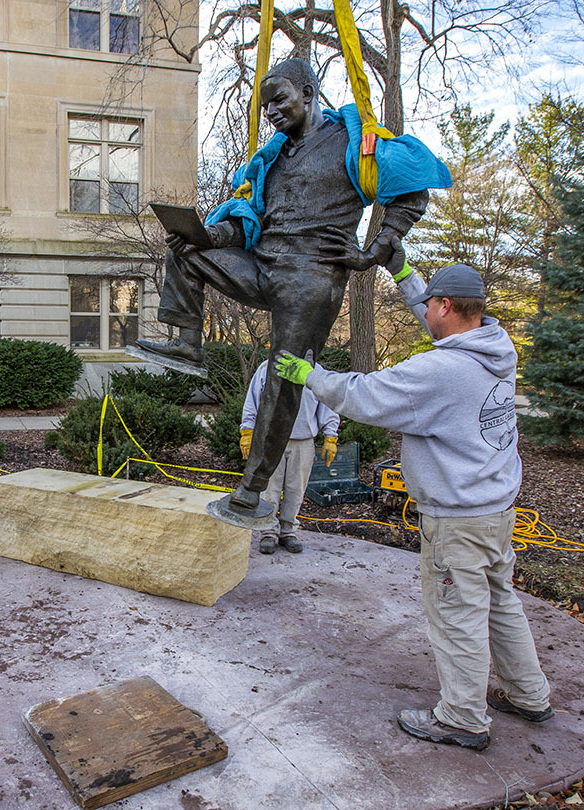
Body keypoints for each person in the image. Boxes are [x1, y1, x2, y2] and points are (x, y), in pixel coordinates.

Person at [136, 57, 451, 525]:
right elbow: (248, 221)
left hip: (312, 280)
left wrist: (374, 250)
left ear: (309, 92)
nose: (274, 113)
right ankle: (187, 345)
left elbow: (413, 188)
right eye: (267, 107)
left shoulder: (354, 140)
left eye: (280, 99)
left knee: (283, 380)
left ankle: (251, 489)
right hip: (264, 265)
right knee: (185, 253)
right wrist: (206, 237)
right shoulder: (272, 157)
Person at [273, 241, 552, 751]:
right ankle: (529, 695)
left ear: (445, 307)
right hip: (494, 509)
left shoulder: (440, 372)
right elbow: (436, 322)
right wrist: (402, 271)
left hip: (456, 520)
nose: (423, 311)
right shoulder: (495, 346)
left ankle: (463, 719)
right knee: (499, 601)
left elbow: (364, 395)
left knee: (456, 614)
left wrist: (309, 375)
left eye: (429, 304)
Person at [240, 362, 339, 554]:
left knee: (296, 490)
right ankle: (268, 532)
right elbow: (252, 400)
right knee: (269, 490)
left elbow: (327, 404)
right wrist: (247, 431)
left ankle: (288, 531)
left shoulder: (315, 372)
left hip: (303, 441)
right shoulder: (267, 368)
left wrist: (330, 436)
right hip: (271, 440)